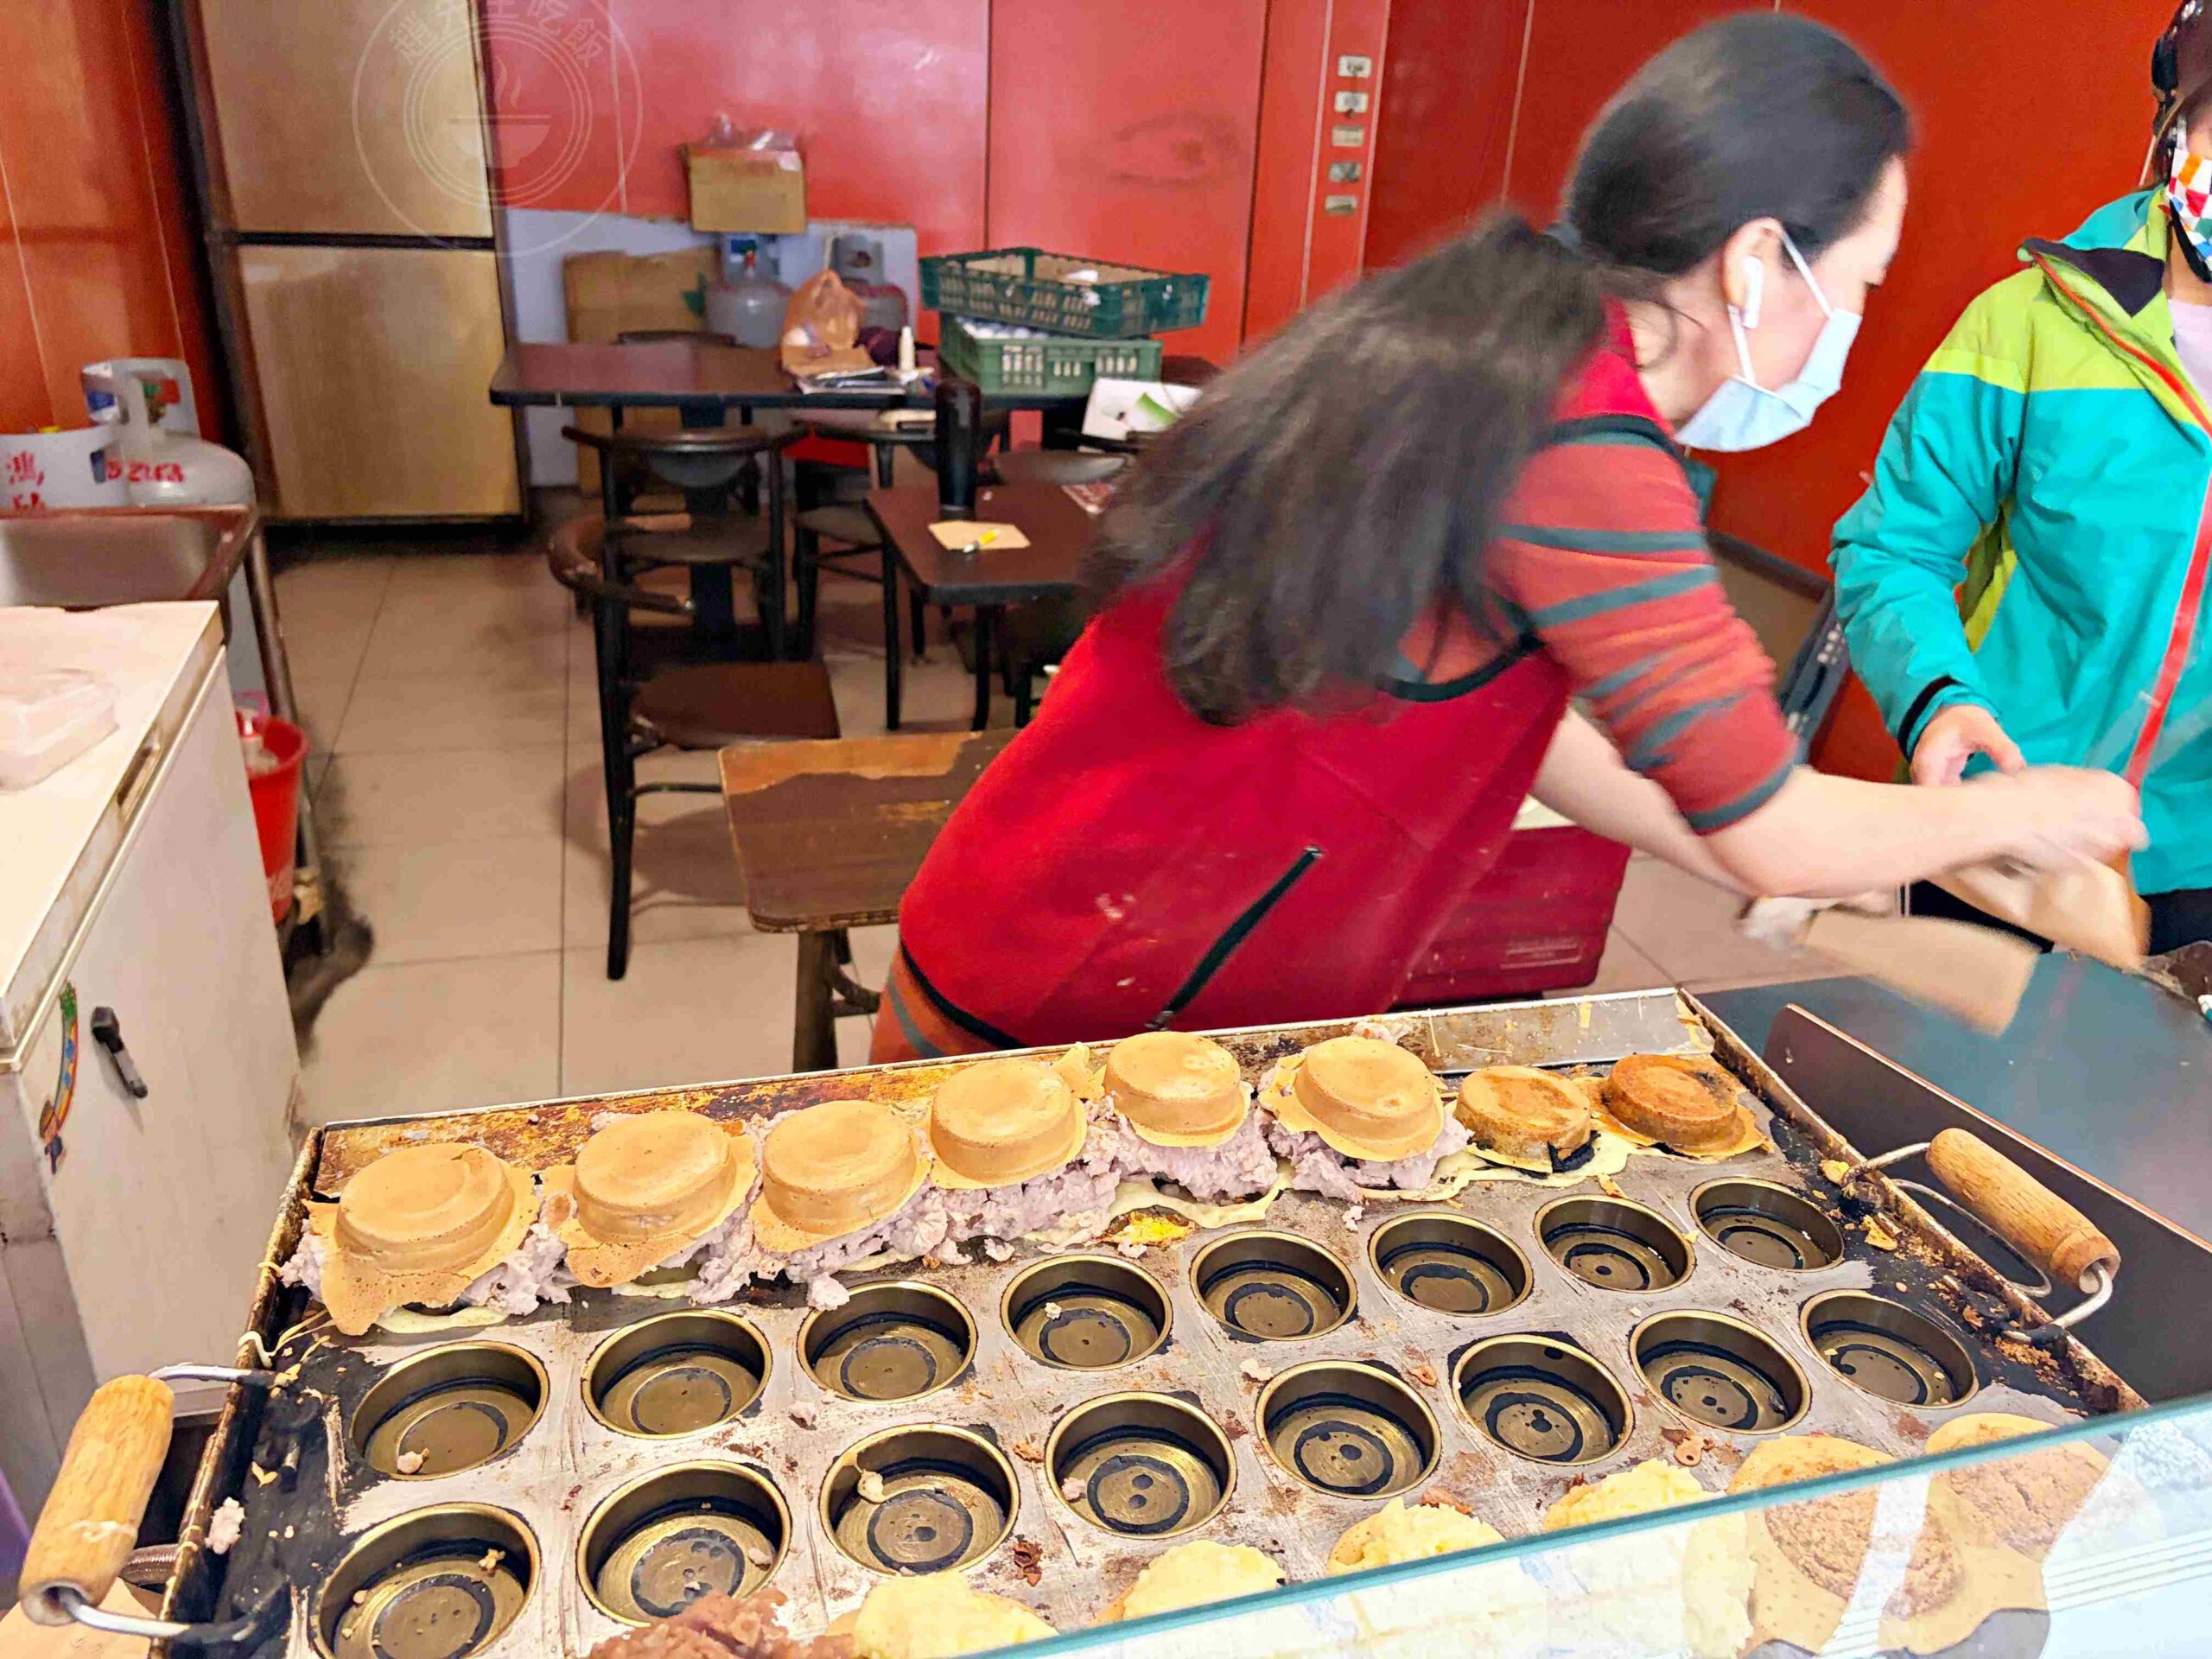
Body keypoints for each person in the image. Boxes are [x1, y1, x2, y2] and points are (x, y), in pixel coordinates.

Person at [871, 15, 2144, 1063]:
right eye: (1860, 287)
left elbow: (1537, 740)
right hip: (1081, 1008)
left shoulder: (1493, 338)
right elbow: (1776, 825)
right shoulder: (1586, 444)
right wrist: (2042, 809)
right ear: (1758, 263)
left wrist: (1869, 876)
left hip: (1051, 930)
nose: (1849, 327)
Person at [1832, 0, 2212, 957]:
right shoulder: (2027, 324)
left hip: (2195, 871)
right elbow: (1893, 547)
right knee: (1925, 1097)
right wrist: (1934, 696)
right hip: (1995, 812)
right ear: (2178, 125)